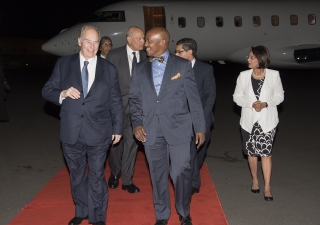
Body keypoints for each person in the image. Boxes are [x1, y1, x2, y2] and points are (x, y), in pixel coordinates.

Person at [42, 25, 123, 225]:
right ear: (79, 42)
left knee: (96, 176)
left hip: (99, 132)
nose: (92, 46)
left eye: (96, 42)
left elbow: (116, 101)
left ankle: (98, 217)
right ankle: (82, 210)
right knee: (77, 176)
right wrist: (62, 93)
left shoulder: (109, 69)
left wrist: (118, 128)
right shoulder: (63, 64)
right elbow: (47, 90)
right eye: (88, 41)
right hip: (71, 131)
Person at [129, 27, 206, 225]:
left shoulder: (182, 66)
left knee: (181, 171)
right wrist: (136, 123)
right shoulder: (139, 68)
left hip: (179, 128)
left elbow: (194, 99)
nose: (145, 44)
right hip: (151, 130)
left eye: (148, 41)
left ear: (162, 43)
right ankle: (162, 215)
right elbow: (135, 99)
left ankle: (183, 212)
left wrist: (200, 127)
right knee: (157, 175)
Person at [233, 45, 284, 201]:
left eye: (252, 57)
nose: (248, 60)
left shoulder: (274, 75)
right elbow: (236, 97)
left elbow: (279, 96)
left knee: (266, 154)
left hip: (267, 121)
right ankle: (255, 179)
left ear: (261, 59)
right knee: (251, 153)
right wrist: (250, 104)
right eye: (248, 57)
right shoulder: (243, 76)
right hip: (249, 121)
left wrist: (266, 104)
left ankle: (267, 188)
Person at [106, 26, 146, 193]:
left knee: (132, 143)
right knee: (116, 145)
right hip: (117, 108)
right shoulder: (114, 55)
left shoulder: (146, 56)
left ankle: (127, 180)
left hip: (138, 110)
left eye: (143, 38)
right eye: (140, 38)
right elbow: (106, 82)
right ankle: (115, 173)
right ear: (129, 39)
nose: (143, 42)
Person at [175, 38, 216, 195]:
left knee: (199, 150)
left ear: (189, 52)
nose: (176, 54)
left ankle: (192, 175)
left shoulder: (205, 69)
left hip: (201, 118)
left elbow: (210, 95)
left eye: (179, 51)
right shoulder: (175, 68)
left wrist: (202, 118)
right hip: (181, 119)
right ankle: (192, 182)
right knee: (186, 152)